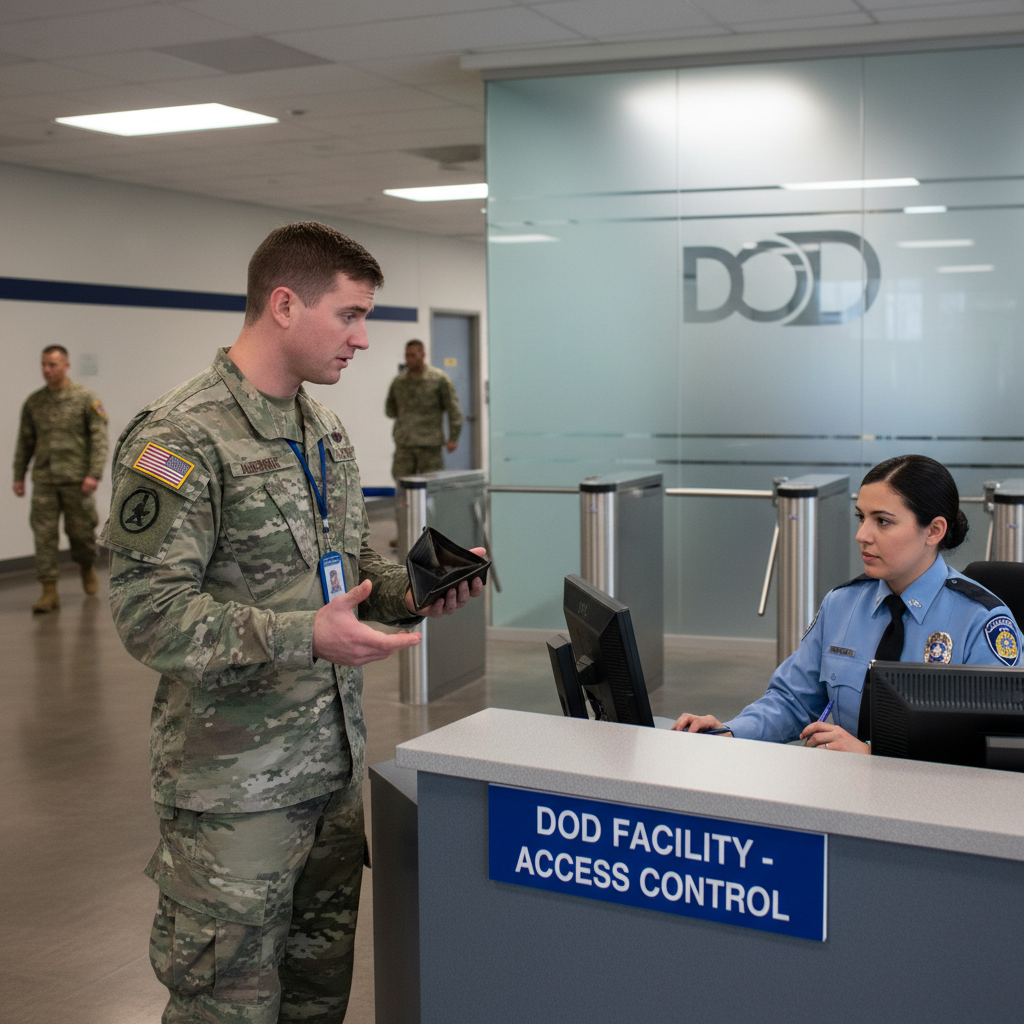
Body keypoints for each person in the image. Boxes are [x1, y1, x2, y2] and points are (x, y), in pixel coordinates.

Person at [102, 222, 485, 1024]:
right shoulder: (179, 438)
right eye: (349, 315)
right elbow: (148, 614)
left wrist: (409, 588)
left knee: (316, 1004)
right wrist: (302, 635)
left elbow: (339, 570)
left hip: (331, 783)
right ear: (284, 304)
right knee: (226, 1009)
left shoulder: (323, 430)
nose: (363, 338)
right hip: (234, 804)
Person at [673, 455, 1022, 753]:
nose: (862, 535)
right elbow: (793, 700)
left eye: (882, 521)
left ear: (933, 531)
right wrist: (730, 732)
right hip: (839, 797)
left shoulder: (981, 621)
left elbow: (999, 747)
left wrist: (874, 756)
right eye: (861, 517)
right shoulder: (842, 605)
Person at [13, 344, 109, 612]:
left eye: (52, 365)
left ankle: (87, 565)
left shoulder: (85, 398)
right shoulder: (34, 402)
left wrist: (94, 474)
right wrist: (19, 475)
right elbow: (25, 442)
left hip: (77, 480)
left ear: (66, 366)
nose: (47, 370)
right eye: (44, 364)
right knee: (43, 536)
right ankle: (48, 591)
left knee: (80, 534)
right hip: (44, 478)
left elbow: (99, 439)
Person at [385, 338, 464, 481]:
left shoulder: (439, 379)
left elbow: (453, 409)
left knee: (432, 485)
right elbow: (390, 409)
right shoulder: (399, 381)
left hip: (429, 445)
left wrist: (453, 437)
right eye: (407, 355)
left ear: (423, 355)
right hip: (405, 444)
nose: (409, 359)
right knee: (402, 483)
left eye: (413, 355)